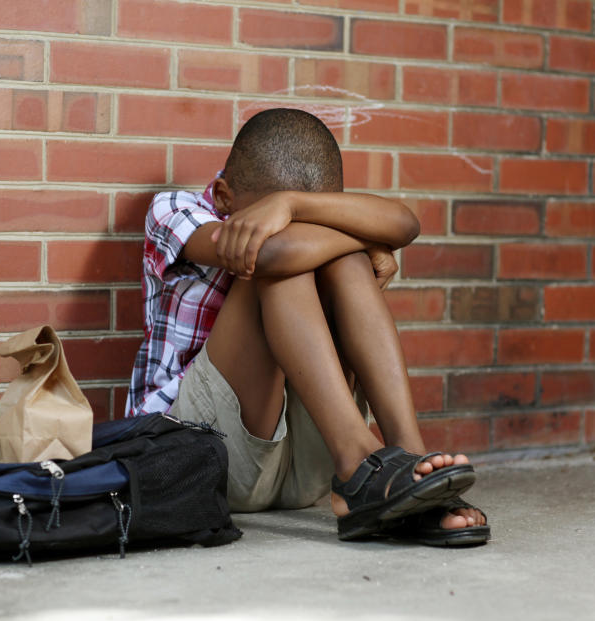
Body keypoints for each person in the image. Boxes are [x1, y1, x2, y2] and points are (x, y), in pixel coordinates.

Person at [126, 108, 489, 545]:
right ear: (224, 197)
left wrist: (292, 206)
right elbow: (274, 255)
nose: (293, 219)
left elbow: (407, 224)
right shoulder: (175, 209)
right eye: (275, 209)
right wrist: (368, 238)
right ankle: (362, 463)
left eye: (315, 211)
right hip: (199, 455)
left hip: (304, 466)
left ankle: (405, 467)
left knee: (342, 260)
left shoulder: (295, 204)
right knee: (277, 263)